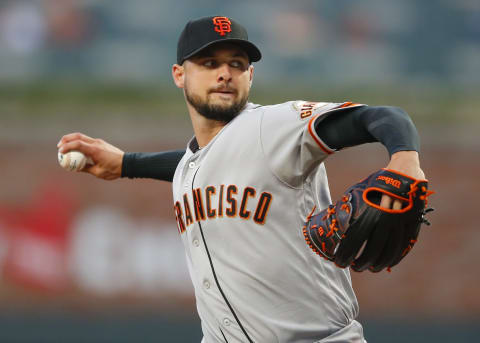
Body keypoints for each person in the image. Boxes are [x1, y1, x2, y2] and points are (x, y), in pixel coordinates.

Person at [58, 16, 426, 343]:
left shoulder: (274, 126)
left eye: (237, 64)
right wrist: (127, 163)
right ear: (179, 75)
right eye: (209, 63)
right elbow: (195, 163)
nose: (225, 73)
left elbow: (379, 116)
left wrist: (404, 159)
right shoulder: (194, 163)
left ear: (250, 76)